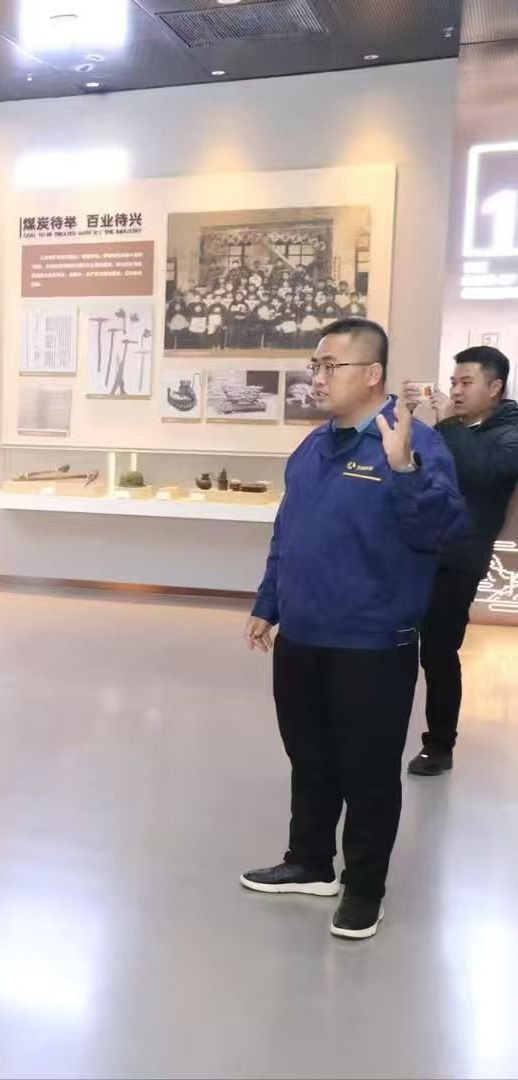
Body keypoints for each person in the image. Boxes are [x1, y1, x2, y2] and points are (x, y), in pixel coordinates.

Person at [241, 318, 467, 941]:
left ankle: (365, 887)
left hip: (371, 644)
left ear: (372, 374)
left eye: (328, 366)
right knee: (309, 758)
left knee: (367, 771)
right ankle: (311, 862)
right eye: (314, 366)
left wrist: (405, 470)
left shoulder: (414, 442)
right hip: (302, 636)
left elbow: (441, 533)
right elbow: (288, 533)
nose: (316, 378)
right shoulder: (313, 446)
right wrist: (268, 602)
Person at [407, 347, 518, 777]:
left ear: (495, 387)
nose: (455, 390)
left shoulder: (510, 430)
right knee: (397, 643)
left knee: (438, 651)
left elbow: (485, 471)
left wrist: (446, 425)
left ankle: (438, 745)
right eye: (453, 382)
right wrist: (412, 422)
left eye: (466, 383)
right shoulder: (452, 427)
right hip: (420, 549)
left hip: (461, 558)